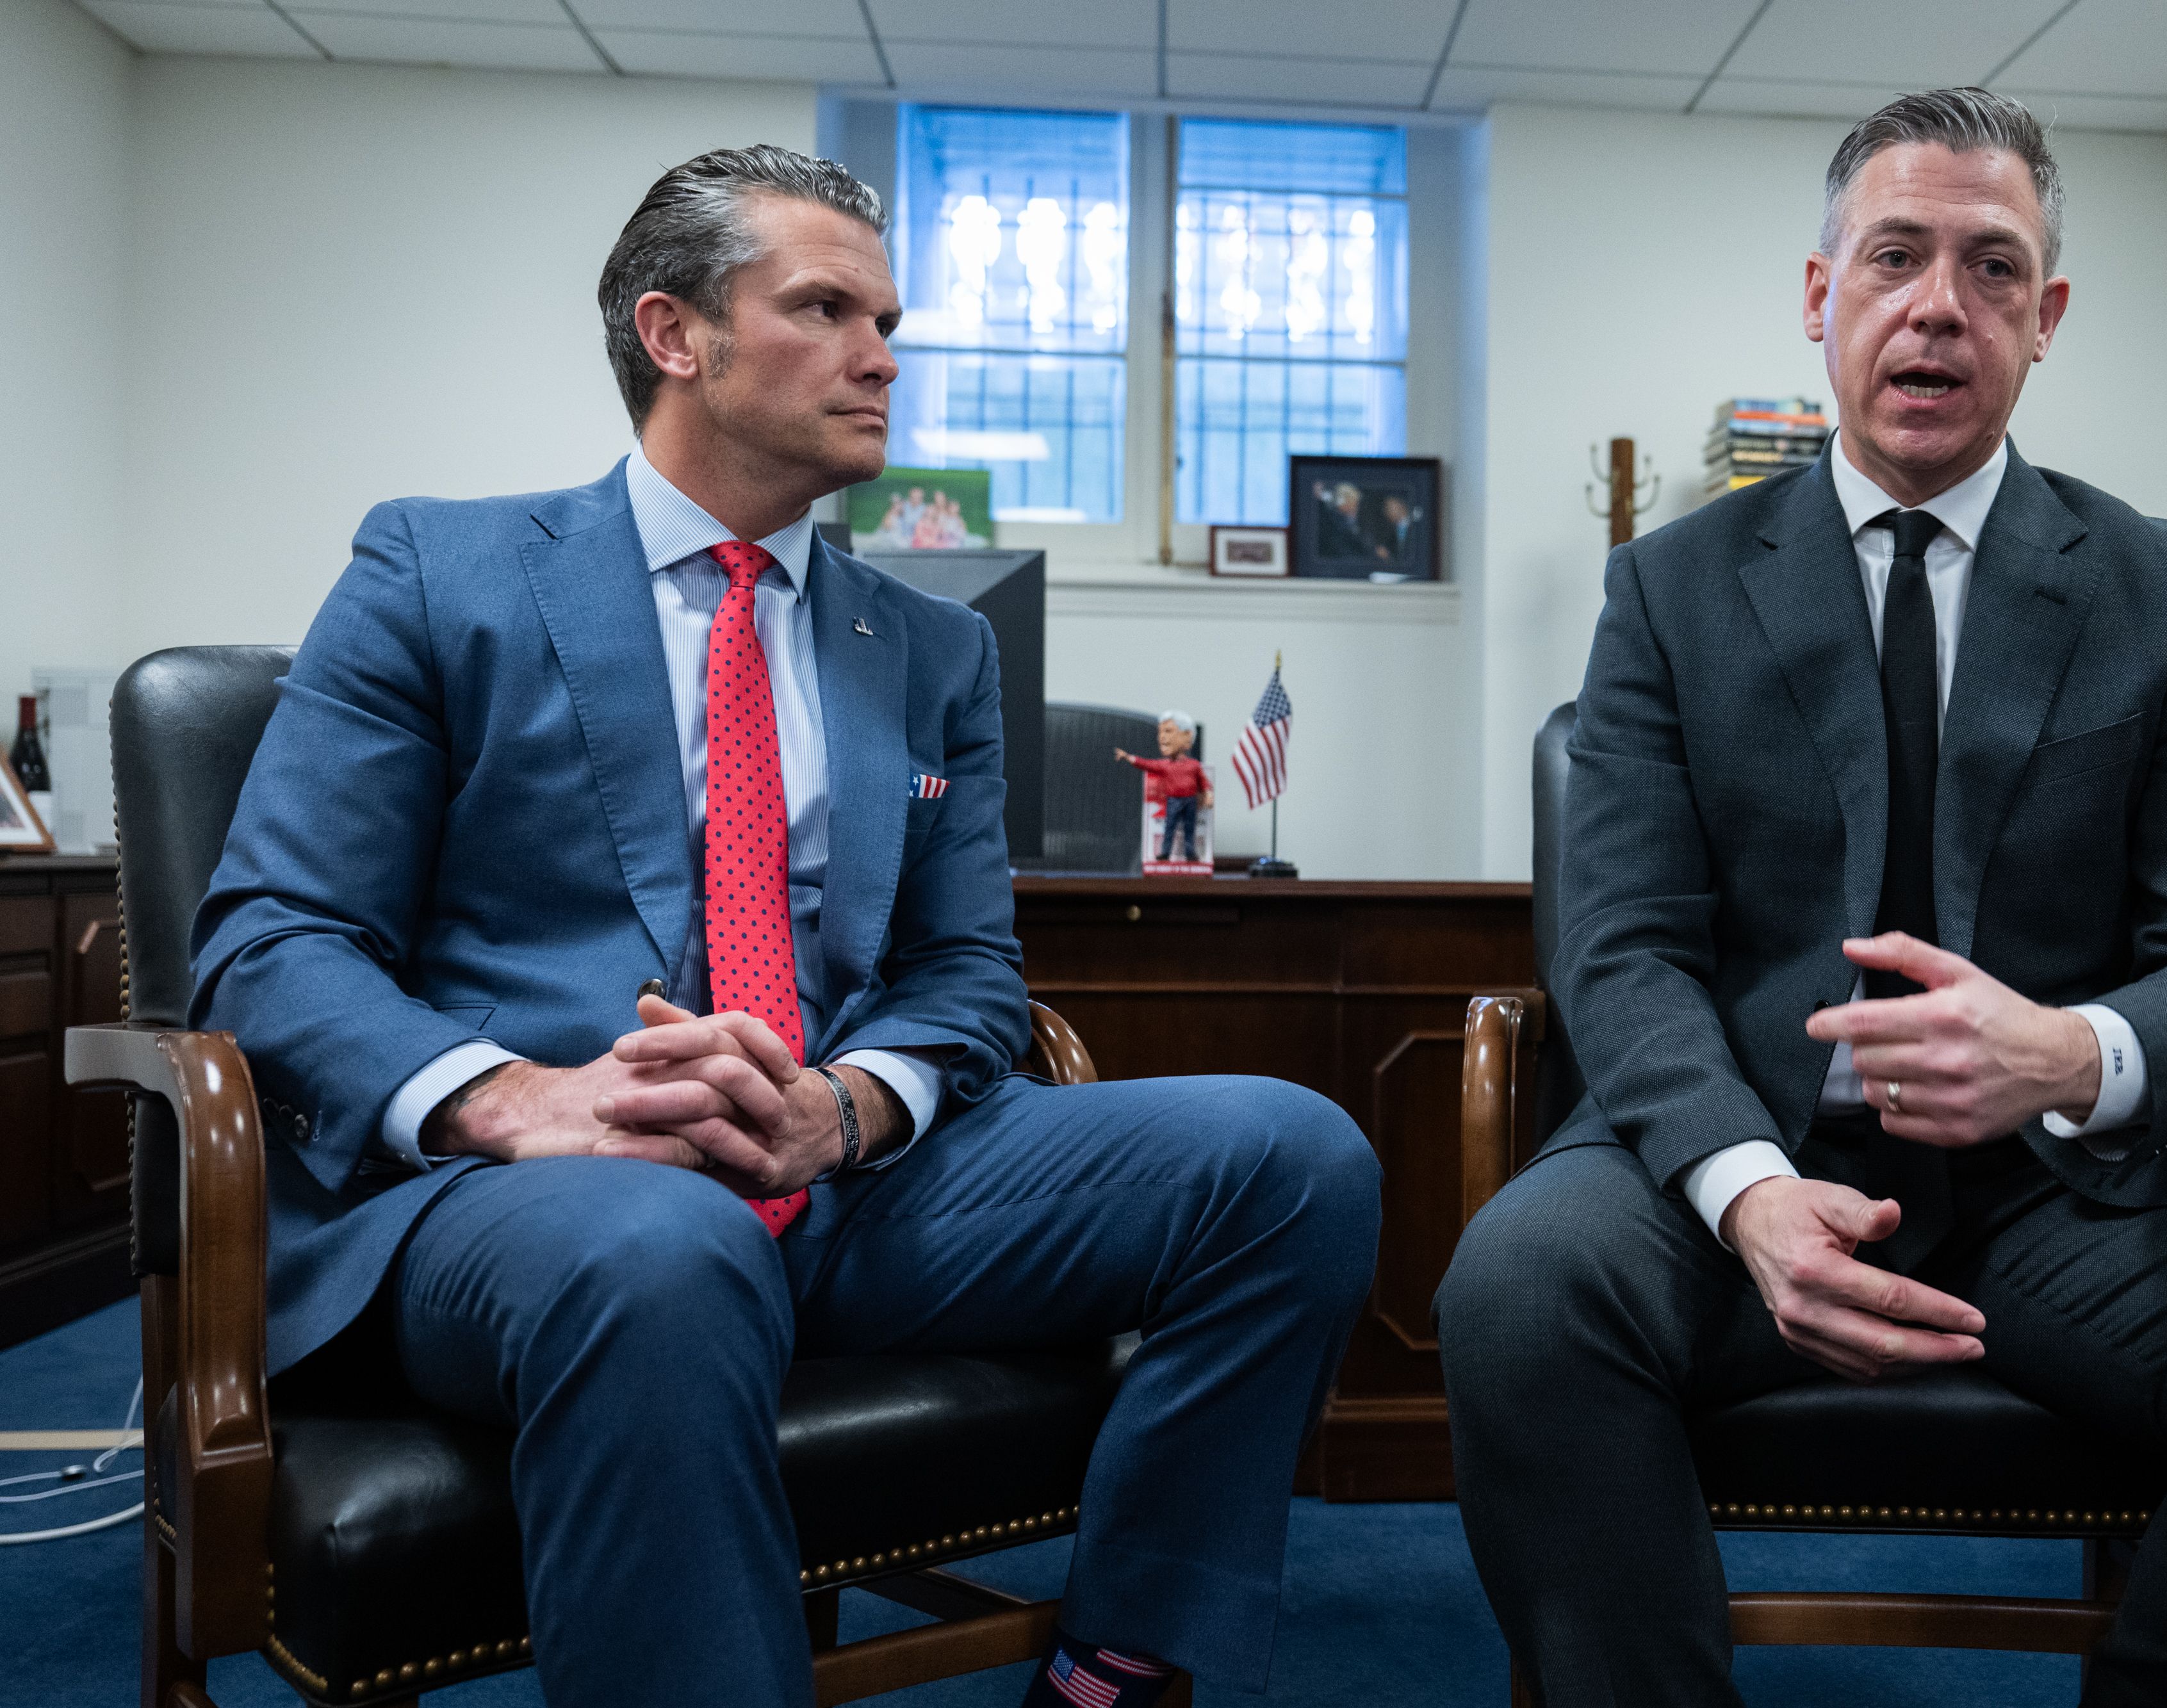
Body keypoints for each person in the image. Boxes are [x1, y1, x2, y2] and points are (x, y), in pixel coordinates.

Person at [191, 145, 1379, 1708]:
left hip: (848, 1181)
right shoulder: (441, 571)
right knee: (663, 1248)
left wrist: (847, 1107)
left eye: (888, 320)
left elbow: (963, 977)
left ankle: (1130, 1657)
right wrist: (519, 1099)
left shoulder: (929, 647)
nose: (882, 357)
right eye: (825, 308)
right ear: (673, 332)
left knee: (1291, 1159)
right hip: (539, 1200)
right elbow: (268, 939)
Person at [1435, 88, 2167, 1708]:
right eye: (1893, 256)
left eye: (1991, 267)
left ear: (2043, 317)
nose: (1939, 304)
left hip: (2093, 1196)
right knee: (1516, 1293)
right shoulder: (1666, 591)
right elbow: (1622, 945)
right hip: (1751, 1158)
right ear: (1822, 298)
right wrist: (1739, 1187)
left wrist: (2071, 1055)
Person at [1115, 712, 1214, 863]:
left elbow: (1204, 782)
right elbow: (1146, 764)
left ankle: (1190, 853)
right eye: (1160, 732)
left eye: (1168, 731)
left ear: (1187, 737)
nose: (1162, 737)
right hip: (1173, 800)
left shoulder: (1194, 765)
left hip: (1190, 801)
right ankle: (1166, 853)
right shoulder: (1164, 765)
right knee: (1169, 828)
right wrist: (1128, 757)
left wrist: (1208, 795)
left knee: (1189, 829)